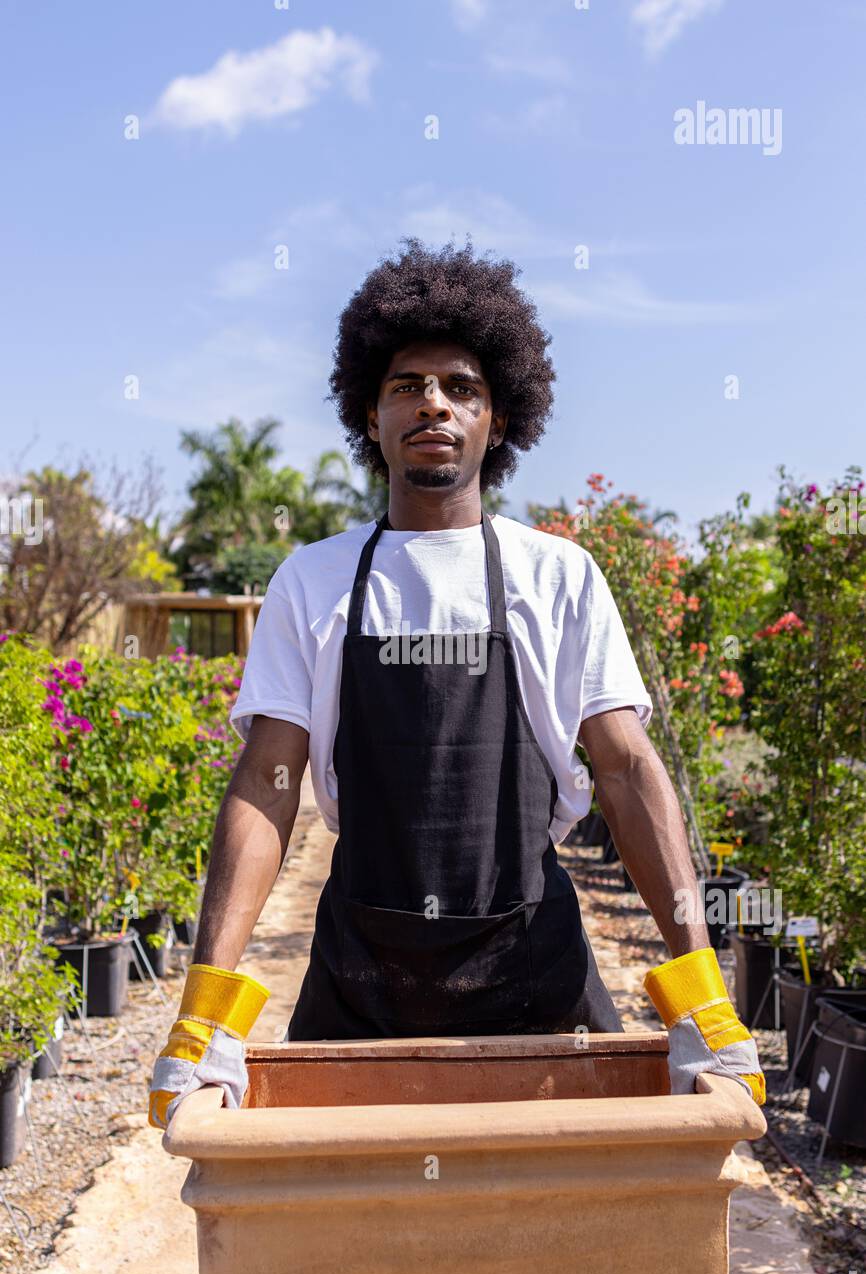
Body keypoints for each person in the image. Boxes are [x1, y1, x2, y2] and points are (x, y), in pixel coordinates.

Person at [148, 238, 764, 1130]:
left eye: (461, 387)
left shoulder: (558, 575)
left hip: (533, 974)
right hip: (361, 982)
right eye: (407, 385)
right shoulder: (313, 582)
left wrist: (703, 993)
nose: (432, 402)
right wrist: (204, 1009)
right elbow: (265, 782)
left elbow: (626, 772)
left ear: (499, 420)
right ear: (370, 416)